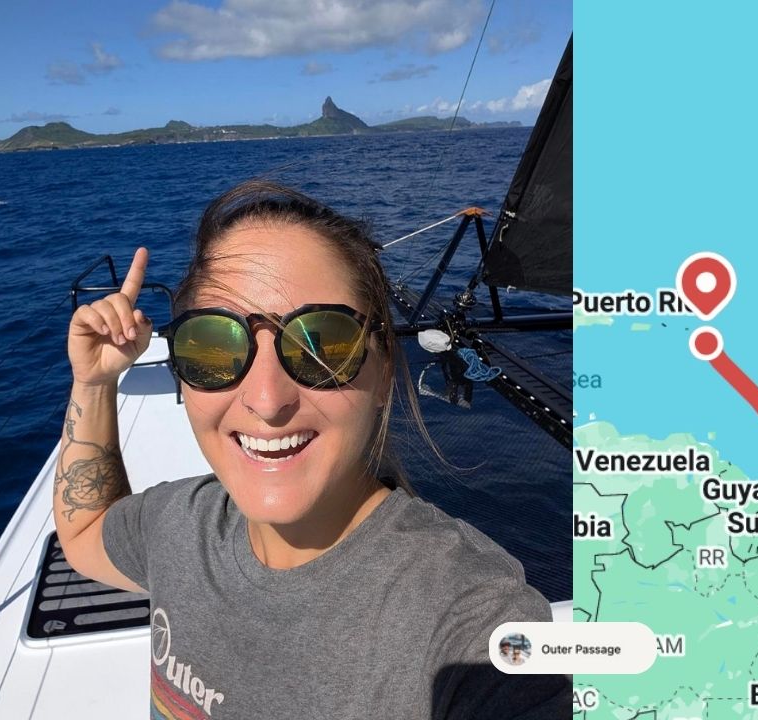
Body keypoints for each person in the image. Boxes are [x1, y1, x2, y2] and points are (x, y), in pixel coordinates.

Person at [54, 180, 569, 718]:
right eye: (213, 342)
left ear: (384, 364)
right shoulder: (177, 525)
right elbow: (85, 531)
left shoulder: (463, 617)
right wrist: (93, 384)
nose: (267, 399)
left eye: (323, 343)